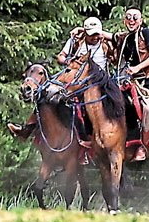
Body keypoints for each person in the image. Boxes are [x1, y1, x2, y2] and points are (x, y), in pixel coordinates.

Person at [8, 16, 109, 159]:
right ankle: (27, 129)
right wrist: (67, 61)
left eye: (97, 34)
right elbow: (61, 56)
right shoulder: (75, 41)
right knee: (47, 96)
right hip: (74, 81)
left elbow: (119, 40)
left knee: (87, 108)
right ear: (85, 33)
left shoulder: (105, 44)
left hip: (97, 83)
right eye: (91, 34)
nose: (95, 37)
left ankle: (88, 142)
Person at [106, 6, 149, 162]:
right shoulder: (125, 38)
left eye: (135, 18)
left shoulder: (146, 33)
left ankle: (143, 146)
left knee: (148, 108)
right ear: (124, 20)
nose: (131, 20)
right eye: (128, 17)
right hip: (131, 82)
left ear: (141, 20)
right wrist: (83, 30)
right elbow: (107, 35)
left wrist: (137, 67)